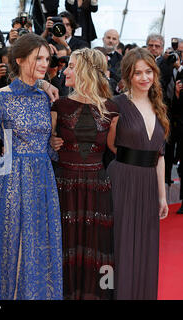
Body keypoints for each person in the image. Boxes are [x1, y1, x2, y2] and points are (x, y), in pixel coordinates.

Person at [0, 33, 63, 300]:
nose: (44, 63)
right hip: (10, 178)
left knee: (39, 244)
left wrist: (54, 144)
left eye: (46, 59)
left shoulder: (45, 96)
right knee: (10, 245)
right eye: (37, 58)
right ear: (19, 60)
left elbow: (45, 145)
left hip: (42, 178)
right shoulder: (0, 97)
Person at [50, 48, 117, 300]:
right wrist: (52, 143)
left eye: (71, 66)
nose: (65, 71)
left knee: (99, 246)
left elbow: (115, 149)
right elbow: (44, 142)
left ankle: (100, 294)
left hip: (97, 187)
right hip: (64, 185)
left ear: (86, 71)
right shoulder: (59, 105)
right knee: (65, 245)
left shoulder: (111, 108)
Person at [106, 48, 169, 300]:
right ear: (128, 76)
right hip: (123, 179)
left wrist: (162, 196)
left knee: (145, 246)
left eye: (148, 72)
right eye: (138, 73)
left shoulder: (159, 105)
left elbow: (160, 155)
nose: (144, 78)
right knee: (120, 245)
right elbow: (111, 145)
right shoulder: (117, 103)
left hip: (148, 183)